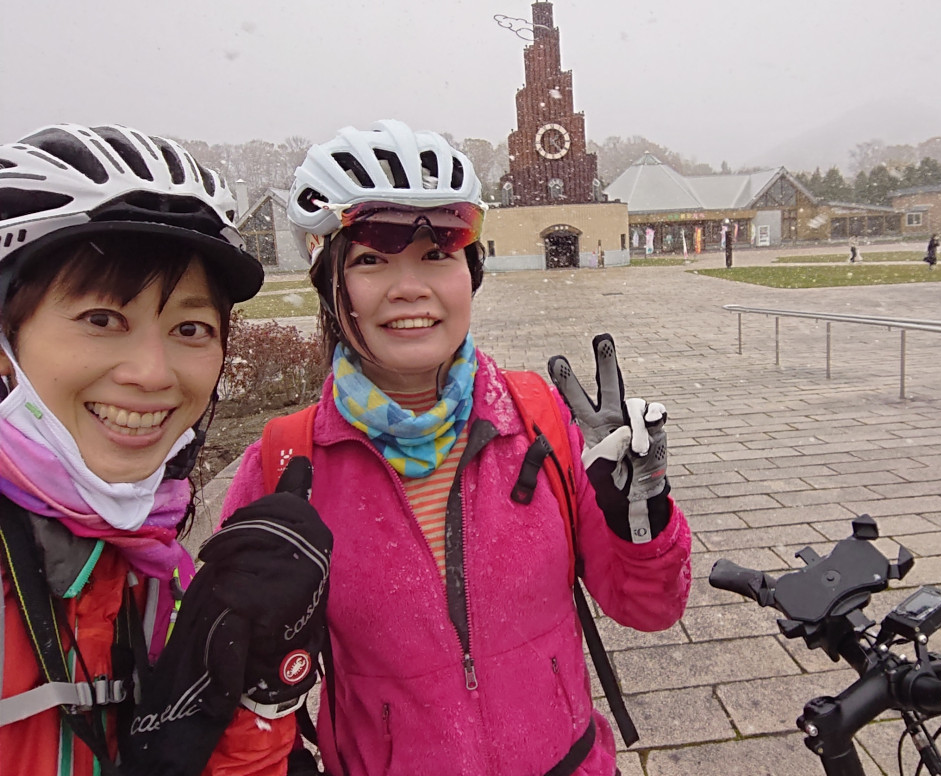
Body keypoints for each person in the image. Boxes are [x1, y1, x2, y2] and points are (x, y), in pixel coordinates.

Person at [221, 120, 692, 775]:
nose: (408, 287)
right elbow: (232, 680)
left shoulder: (541, 420)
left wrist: (640, 525)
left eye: (436, 255)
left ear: (470, 274)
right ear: (332, 285)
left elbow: (651, 610)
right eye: (371, 259)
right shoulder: (285, 463)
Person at [0, 124, 325, 776]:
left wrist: (261, 697)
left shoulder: (161, 574)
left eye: (189, 328)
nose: (152, 372)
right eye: (102, 319)